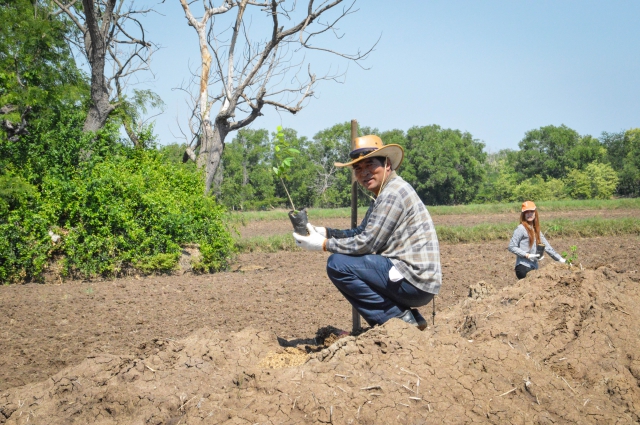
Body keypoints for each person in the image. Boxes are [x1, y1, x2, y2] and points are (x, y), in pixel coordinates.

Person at [292, 135, 442, 330]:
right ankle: (409, 318)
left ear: (387, 164)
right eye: (358, 168)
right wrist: (325, 232)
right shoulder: (385, 192)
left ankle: (399, 321)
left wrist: (323, 245)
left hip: (413, 278)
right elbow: (361, 231)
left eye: (370, 165)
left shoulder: (392, 194)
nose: (364, 173)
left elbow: (367, 243)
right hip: (414, 279)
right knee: (343, 262)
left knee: (338, 265)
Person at [508, 200, 566, 279]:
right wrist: (527, 255)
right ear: (523, 214)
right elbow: (511, 246)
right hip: (523, 267)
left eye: (531, 211)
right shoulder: (521, 228)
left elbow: (547, 247)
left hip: (534, 267)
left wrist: (560, 259)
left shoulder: (536, 230)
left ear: (535, 213)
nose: (529, 214)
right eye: (526, 212)